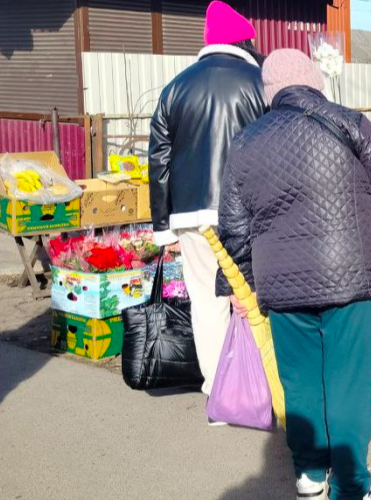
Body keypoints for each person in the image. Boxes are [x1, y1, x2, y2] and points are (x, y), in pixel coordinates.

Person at [215, 48, 371, 500]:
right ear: (315, 80)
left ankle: (311, 477)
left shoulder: (247, 142)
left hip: (283, 285)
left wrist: (239, 286)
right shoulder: (349, 122)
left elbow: (233, 225)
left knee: (301, 383)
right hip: (356, 278)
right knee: (350, 386)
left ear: (267, 92)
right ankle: (353, 487)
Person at [148, 1, 265, 399]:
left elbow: (159, 161)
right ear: (243, 40)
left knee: (205, 300)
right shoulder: (260, 81)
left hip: (191, 215)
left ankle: (219, 392)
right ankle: (262, 388)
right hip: (250, 210)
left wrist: (164, 229)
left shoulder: (175, 88)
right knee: (253, 295)